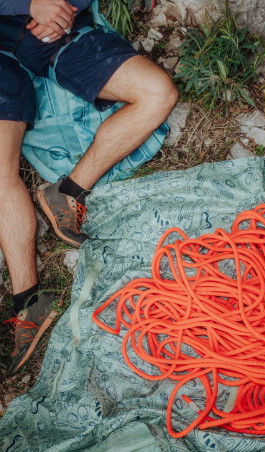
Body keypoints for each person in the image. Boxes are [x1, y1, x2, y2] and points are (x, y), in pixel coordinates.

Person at [0, 0, 178, 372]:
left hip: (60, 37)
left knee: (158, 93)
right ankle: (29, 302)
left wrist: (62, 8)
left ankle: (68, 192)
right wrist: (30, 4)